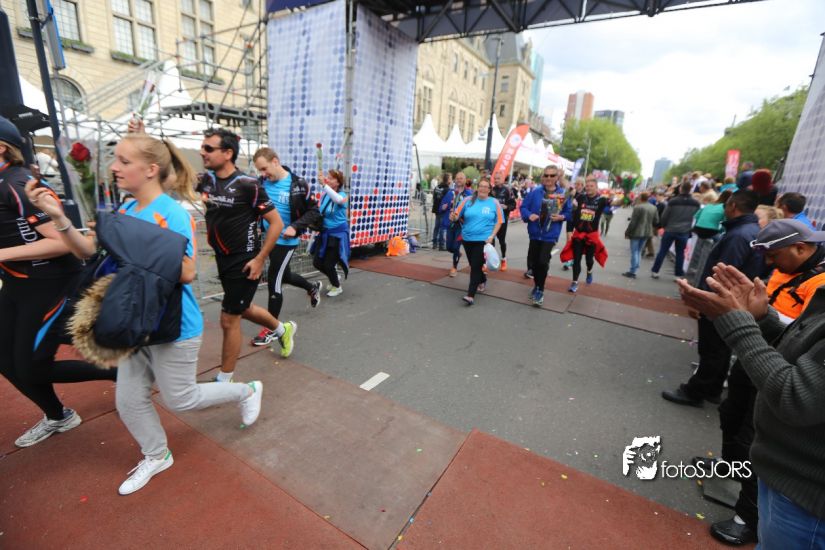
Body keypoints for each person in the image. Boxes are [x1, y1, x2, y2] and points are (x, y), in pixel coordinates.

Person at [27, 131, 265, 495]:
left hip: (173, 325)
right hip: (132, 320)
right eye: (115, 159)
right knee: (127, 400)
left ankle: (246, 391)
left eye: (124, 161)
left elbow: (186, 271)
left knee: (180, 398)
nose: (114, 167)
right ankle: (157, 454)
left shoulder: (171, 213)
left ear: (151, 169)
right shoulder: (124, 210)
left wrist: (133, 239)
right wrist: (58, 217)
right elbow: (88, 251)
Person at [678, 260, 825, 549]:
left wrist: (737, 323)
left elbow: (798, 396)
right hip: (786, 477)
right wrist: (762, 319)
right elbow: (806, 354)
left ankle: (745, 516)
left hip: (807, 501)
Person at [0, 116, 117, 449]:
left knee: (30, 368)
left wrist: (2, 253)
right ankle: (58, 416)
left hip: (50, 283)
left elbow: (62, 242)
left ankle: (120, 373)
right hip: (16, 285)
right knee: (5, 359)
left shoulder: (19, 183)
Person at [197, 129, 296, 380]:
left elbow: (276, 223)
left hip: (245, 261)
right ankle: (282, 329)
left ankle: (224, 379)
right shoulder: (206, 180)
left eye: (208, 148)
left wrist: (260, 258)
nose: (202, 152)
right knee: (243, 307)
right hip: (222, 257)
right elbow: (171, 173)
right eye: (202, 147)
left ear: (227, 153)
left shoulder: (248, 184)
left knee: (229, 319)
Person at [662, 190, 762, 407]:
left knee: (712, 348)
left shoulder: (739, 235)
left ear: (733, 206)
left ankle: (695, 391)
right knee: (720, 347)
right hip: (733, 299)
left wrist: (702, 300)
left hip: (722, 300)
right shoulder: (750, 231)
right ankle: (712, 388)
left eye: (726, 205)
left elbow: (723, 273)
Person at [250, 148, 321, 346]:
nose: (263, 173)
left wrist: (295, 226)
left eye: (264, 168)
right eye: (260, 170)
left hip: (286, 242)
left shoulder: (298, 184)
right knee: (285, 275)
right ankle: (312, 287)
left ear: (275, 161)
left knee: (274, 281)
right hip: (269, 240)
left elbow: (314, 211)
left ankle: (272, 329)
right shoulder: (261, 183)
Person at [520, 166, 571, 306]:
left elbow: (569, 213)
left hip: (550, 234)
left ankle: (540, 290)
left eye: (552, 175)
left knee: (542, 261)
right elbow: (523, 207)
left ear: (557, 177)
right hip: (535, 233)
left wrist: (561, 217)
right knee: (534, 264)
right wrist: (529, 215)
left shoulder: (563, 194)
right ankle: (537, 285)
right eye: (546, 175)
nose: (548, 178)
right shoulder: (535, 192)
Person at [449, 178, 503, 305]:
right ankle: (482, 279)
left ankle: (470, 295)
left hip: (484, 240)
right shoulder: (467, 200)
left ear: (489, 190)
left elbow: (499, 221)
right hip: (467, 239)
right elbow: (456, 215)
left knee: (475, 267)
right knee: (474, 265)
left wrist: (492, 236)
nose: (483, 188)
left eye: (486, 187)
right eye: (481, 186)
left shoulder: (494, 202)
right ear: (477, 188)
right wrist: (453, 217)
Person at [560, 175, 608, 292]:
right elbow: (569, 187)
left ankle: (589, 271)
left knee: (589, 260)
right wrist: (561, 177)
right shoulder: (580, 197)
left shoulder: (601, 200)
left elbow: (617, 202)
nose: (589, 188)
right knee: (576, 260)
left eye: (591, 186)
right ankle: (574, 282)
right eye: (587, 186)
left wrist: (626, 197)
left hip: (591, 236)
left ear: (596, 187)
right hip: (579, 235)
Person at [311, 168, 350, 296]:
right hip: (325, 233)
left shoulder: (343, 196)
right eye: (327, 177)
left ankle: (337, 287)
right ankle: (334, 277)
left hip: (338, 235)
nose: (328, 179)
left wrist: (324, 185)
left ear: (338, 182)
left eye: (331, 178)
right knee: (317, 262)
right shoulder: (325, 194)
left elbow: (338, 200)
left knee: (328, 264)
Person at [650, 182, 700, 279]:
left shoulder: (673, 201)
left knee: (663, 251)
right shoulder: (695, 203)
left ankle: (655, 271)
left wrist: (664, 226)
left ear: (681, 189)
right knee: (680, 253)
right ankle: (678, 274)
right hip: (684, 231)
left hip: (670, 229)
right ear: (690, 190)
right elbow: (696, 218)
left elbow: (665, 216)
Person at [686, 190, 732, 286]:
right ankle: (699, 283)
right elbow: (725, 224)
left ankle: (688, 278)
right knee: (706, 258)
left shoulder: (709, 205)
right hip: (710, 232)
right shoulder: (724, 208)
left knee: (696, 256)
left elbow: (696, 216)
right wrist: (721, 231)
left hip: (698, 230)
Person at [622, 192, 658, 279]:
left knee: (634, 251)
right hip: (647, 232)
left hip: (636, 232)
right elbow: (656, 221)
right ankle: (635, 268)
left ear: (641, 198)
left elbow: (633, 222)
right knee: (639, 250)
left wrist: (627, 232)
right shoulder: (653, 207)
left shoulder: (638, 207)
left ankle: (633, 270)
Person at [443, 172, 473, 277]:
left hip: (461, 225)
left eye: (461, 178)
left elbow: (472, 209)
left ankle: (454, 267)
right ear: (455, 180)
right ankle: (457, 253)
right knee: (449, 247)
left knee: (456, 246)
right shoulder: (451, 192)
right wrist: (443, 207)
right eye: (457, 178)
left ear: (465, 180)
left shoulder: (469, 194)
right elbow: (443, 205)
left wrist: (461, 216)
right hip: (451, 224)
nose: (459, 180)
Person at [490, 171, 516, 271]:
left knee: (501, 241)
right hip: (491, 220)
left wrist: (506, 207)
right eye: (495, 178)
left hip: (502, 220)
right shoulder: (491, 190)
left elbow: (513, 205)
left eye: (498, 178)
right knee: (490, 240)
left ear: (503, 179)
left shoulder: (508, 190)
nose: (496, 180)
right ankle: (491, 260)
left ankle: (503, 258)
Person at [431, 173, 450, 250]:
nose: (451, 180)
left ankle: (434, 244)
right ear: (448, 180)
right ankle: (441, 245)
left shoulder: (437, 187)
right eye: (450, 179)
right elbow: (447, 201)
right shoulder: (447, 189)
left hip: (436, 209)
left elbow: (434, 197)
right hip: (442, 210)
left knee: (436, 227)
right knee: (442, 227)